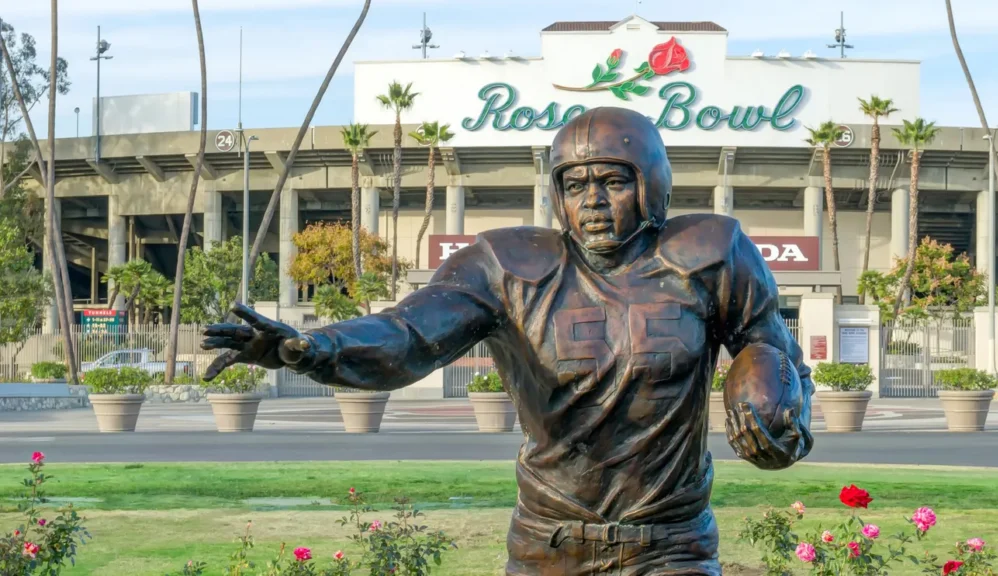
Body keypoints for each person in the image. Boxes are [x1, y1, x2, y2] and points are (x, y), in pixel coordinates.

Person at [202, 106, 814, 575]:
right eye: (576, 185)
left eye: (613, 182)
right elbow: (411, 331)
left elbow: (775, 355)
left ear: (650, 183)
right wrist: (310, 348)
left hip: (672, 543)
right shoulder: (507, 265)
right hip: (550, 540)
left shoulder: (710, 255)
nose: (594, 202)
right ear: (557, 195)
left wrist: (779, 419)